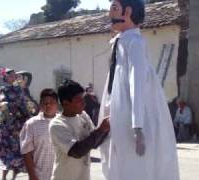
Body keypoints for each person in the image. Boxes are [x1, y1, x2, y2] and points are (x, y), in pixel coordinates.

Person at [98, 1, 180, 179]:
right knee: (118, 161)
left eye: (114, 8)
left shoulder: (135, 43)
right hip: (119, 112)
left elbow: (137, 82)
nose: (109, 14)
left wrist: (138, 125)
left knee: (134, 164)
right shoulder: (120, 42)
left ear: (127, 12)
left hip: (132, 115)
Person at [49, 80, 110, 180]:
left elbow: (94, 142)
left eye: (83, 99)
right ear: (65, 103)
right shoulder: (57, 125)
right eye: (79, 100)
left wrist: (108, 127)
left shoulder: (83, 116)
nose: (84, 103)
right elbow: (76, 151)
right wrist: (101, 130)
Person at [0, 68, 38, 180]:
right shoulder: (4, 89)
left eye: (14, 75)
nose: (14, 77)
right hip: (9, 122)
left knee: (22, 148)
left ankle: (15, 175)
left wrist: (30, 108)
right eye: (11, 75)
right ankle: (4, 177)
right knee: (8, 150)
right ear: (6, 77)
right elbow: (2, 103)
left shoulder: (20, 88)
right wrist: (11, 106)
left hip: (21, 120)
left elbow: (26, 102)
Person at [19, 89, 59, 180]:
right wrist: (32, 175)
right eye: (45, 103)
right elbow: (26, 152)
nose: (48, 105)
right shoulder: (31, 124)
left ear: (57, 104)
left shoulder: (63, 123)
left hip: (61, 174)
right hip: (40, 175)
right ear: (40, 105)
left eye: (52, 102)